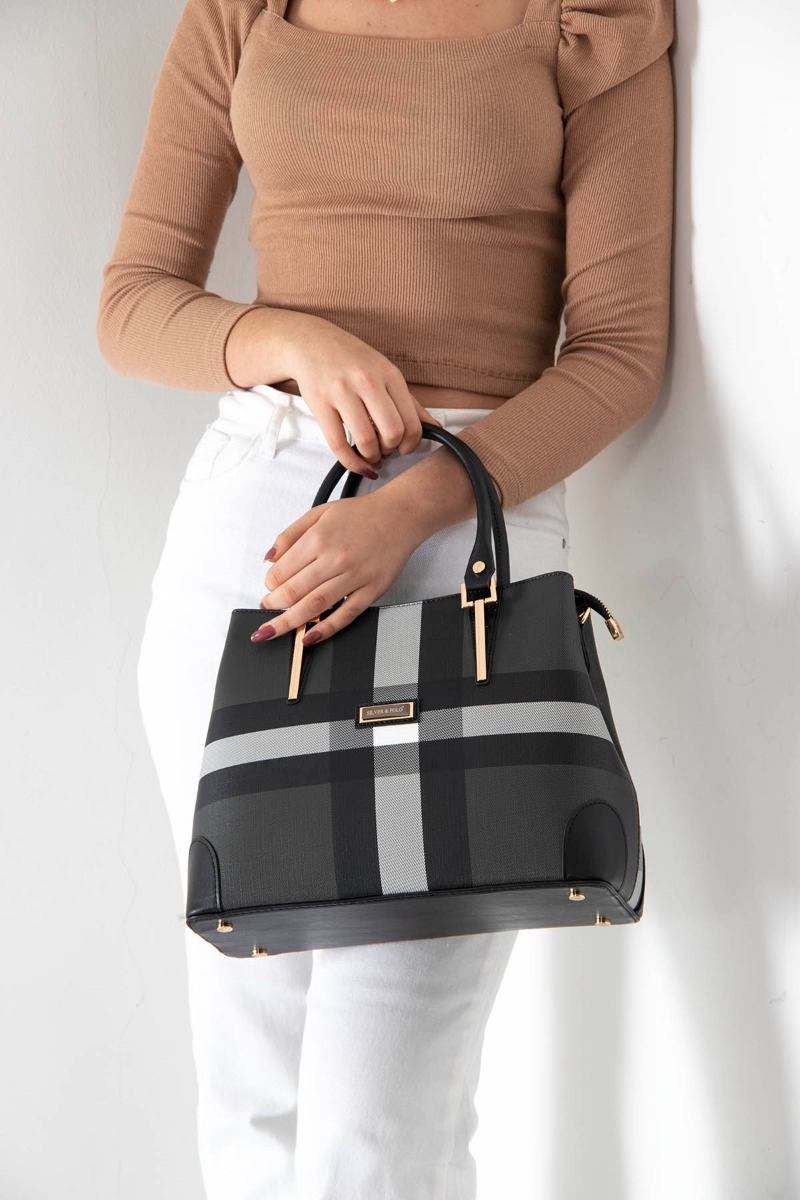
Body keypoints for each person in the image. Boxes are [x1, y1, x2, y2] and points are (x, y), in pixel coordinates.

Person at [96, 0, 674, 1195]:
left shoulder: (588, 22)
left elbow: (618, 348)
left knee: (378, 1121)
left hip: (468, 534)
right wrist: (292, 341)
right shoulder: (243, 11)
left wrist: (407, 510)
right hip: (250, 535)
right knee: (250, 1081)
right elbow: (133, 303)